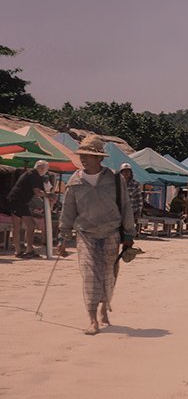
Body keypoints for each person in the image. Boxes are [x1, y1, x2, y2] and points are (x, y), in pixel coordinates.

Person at [56, 135, 135, 335]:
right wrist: (63, 238)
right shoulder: (75, 181)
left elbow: (126, 207)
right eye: (82, 155)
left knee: (109, 274)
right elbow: (68, 211)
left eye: (89, 156)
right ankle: (92, 319)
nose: (84, 159)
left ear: (99, 158)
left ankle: (104, 307)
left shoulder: (115, 179)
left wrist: (129, 234)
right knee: (90, 275)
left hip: (111, 232)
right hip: (86, 234)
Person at [7, 160, 56, 258]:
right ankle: (25, 250)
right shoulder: (34, 175)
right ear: (42, 168)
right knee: (26, 225)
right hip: (18, 201)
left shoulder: (31, 174)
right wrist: (49, 195)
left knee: (21, 226)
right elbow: (38, 192)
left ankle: (21, 250)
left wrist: (47, 193)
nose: (46, 172)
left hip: (17, 200)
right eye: (46, 170)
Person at [119, 163, 143, 235]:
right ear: (121, 173)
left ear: (131, 173)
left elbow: (139, 198)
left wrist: (139, 210)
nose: (126, 173)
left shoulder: (135, 184)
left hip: (131, 210)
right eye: (124, 171)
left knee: (128, 227)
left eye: (128, 171)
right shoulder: (116, 183)